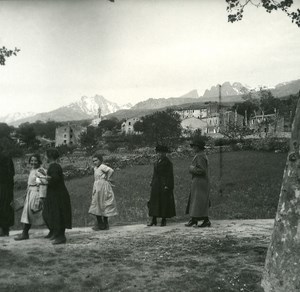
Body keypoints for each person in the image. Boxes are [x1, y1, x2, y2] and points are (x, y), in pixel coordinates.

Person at [14, 154, 47, 241]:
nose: (33, 162)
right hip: (30, 194)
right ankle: (25, 233)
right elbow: (30, 184)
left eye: (35, 160)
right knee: (29, 214)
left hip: (35, 194)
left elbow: (42, 184)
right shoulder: (33, 170)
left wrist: (41, 197)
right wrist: (26, 193)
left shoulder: (39, 171)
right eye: (31, 160)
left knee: (36, 214)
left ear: (39, 161)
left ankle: (54, 231)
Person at [42, 148, 72, 244]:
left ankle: (61, 237)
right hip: (56, 193)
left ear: (49, 156)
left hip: (58, 194)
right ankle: (57, 234)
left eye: (45, 155)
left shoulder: (54, 166)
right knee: (55, 213)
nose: (44, 157)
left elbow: (55, 179)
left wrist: (44, 179)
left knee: (58, 214)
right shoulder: (54, 166)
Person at [185, 137, 211, 228]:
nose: (193, 148)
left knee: (199, 201)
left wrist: (192, 169)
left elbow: (202, 170)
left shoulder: (200, 156)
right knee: (196, 201)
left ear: (198, 147)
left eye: (195, 147)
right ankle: (194, 219)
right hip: (199, 181)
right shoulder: (200, 155)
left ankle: (205, 220)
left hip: (200, 182)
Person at [147, 145, 176, 227]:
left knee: (164, 201)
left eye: (162, 152)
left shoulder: (168, 163)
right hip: (156, 184)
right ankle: (154, 219)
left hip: (163, 184)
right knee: (154, 202)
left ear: (165, 153)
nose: (160, 154)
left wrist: (168, 185)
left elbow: (170, 175)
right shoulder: (157, 161)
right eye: (158, 152)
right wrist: (152, 181)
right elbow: (154, 173)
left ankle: (164, 219)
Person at [88, 153, 118, 231]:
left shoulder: (102, 166)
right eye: (93, 161)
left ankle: (105, 224)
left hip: (103, 186)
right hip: (97, 186)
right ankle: (100, 223)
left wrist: (108, 178)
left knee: (104, 203)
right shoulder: (95, 168)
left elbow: (111, 170)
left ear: (100, 160)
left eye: (96, 160)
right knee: (96, 204)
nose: (95, 162)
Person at [0, 145, 15, 236]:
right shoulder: (7, 158)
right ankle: (5, 230)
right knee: (6, 207)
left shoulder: (5, 158)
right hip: (7, 186)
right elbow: (12, 173)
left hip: (4, 185)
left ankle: (3, 230)